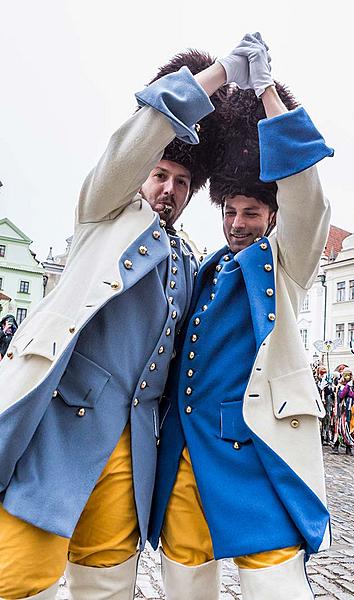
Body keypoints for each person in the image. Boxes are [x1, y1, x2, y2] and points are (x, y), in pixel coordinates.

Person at [0, 46, 243, 599]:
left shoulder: (187, 259)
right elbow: (142, 134)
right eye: (159, 173)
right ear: (139, 174)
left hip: (132, 448)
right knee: (20, 577)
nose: (169, 189)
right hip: (59, 435)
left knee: (107, 587)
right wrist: (220, 76)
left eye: (183, 181)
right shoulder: (102, 213)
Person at [149, 33, 333, 600]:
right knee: (183, 579)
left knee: (275, 584)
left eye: (251, 212)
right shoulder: (204, 268)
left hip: (253, 448)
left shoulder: (286, 260)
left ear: (272, 216)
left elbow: (308, 197)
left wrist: (268, 95)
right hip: (187, 448)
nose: (237, 223)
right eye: (230, 211)